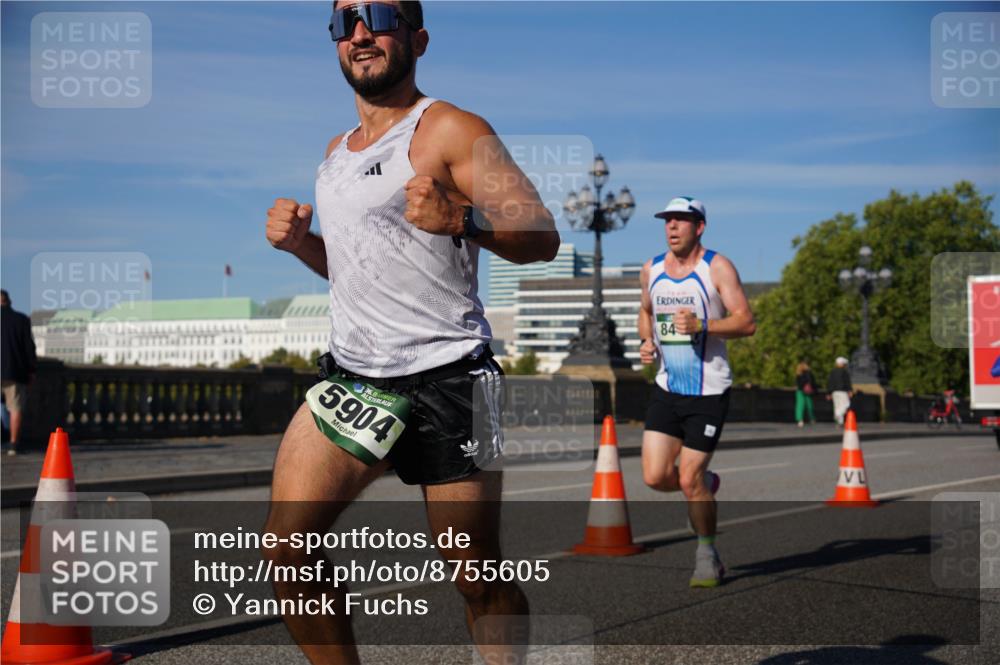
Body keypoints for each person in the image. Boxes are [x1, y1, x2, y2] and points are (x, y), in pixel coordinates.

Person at [262, 2, 560, 662]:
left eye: (378, 16)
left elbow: (542, 235)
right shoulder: (335, 154)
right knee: (286, 550)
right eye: (345, 23)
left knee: (476, 575)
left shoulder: (450, 128)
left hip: (451, 377)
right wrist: (301, 244)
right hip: (356, 378)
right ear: (337, 46)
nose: (361, 32)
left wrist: (463, 219)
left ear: (417, 38)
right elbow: (348, 269)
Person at [638, 196, 756, 588]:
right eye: (667, 221)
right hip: (667, 388)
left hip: (708, 391)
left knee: (689, 479)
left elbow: (746, 322)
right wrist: (645, 341)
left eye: (681, 221)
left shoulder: (717, 267)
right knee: (655, 477)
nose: (672, 227)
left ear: (699, 227)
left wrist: (703, 325)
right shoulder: (651, 269)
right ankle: (706, 484)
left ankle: (707, 554)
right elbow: (646, 311)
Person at [1, 289, 37, 456]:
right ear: (9, 301)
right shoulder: (21, 320)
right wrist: (31, 370)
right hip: (13, 372)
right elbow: (29, 348)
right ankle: (14, 444)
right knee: (15, 407)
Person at [826, 357, 853, 426]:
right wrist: (849, 390)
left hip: (834, 392)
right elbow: (847, 382)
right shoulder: (844, 372)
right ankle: (838, 415)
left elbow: (830, 382)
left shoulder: (832, 372)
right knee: (846, 404)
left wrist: (829, 393)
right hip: (842, 391)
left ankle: (840, 421)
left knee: (837, 406)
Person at [794, 361, 817, 427]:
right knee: (809, 405)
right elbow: (812, 382)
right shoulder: (809, 373)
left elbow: (798, 383)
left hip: (800, 391)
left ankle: (800, 419)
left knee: (800, 406)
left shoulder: (798, 374)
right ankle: (811, 418)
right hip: (807, 391)